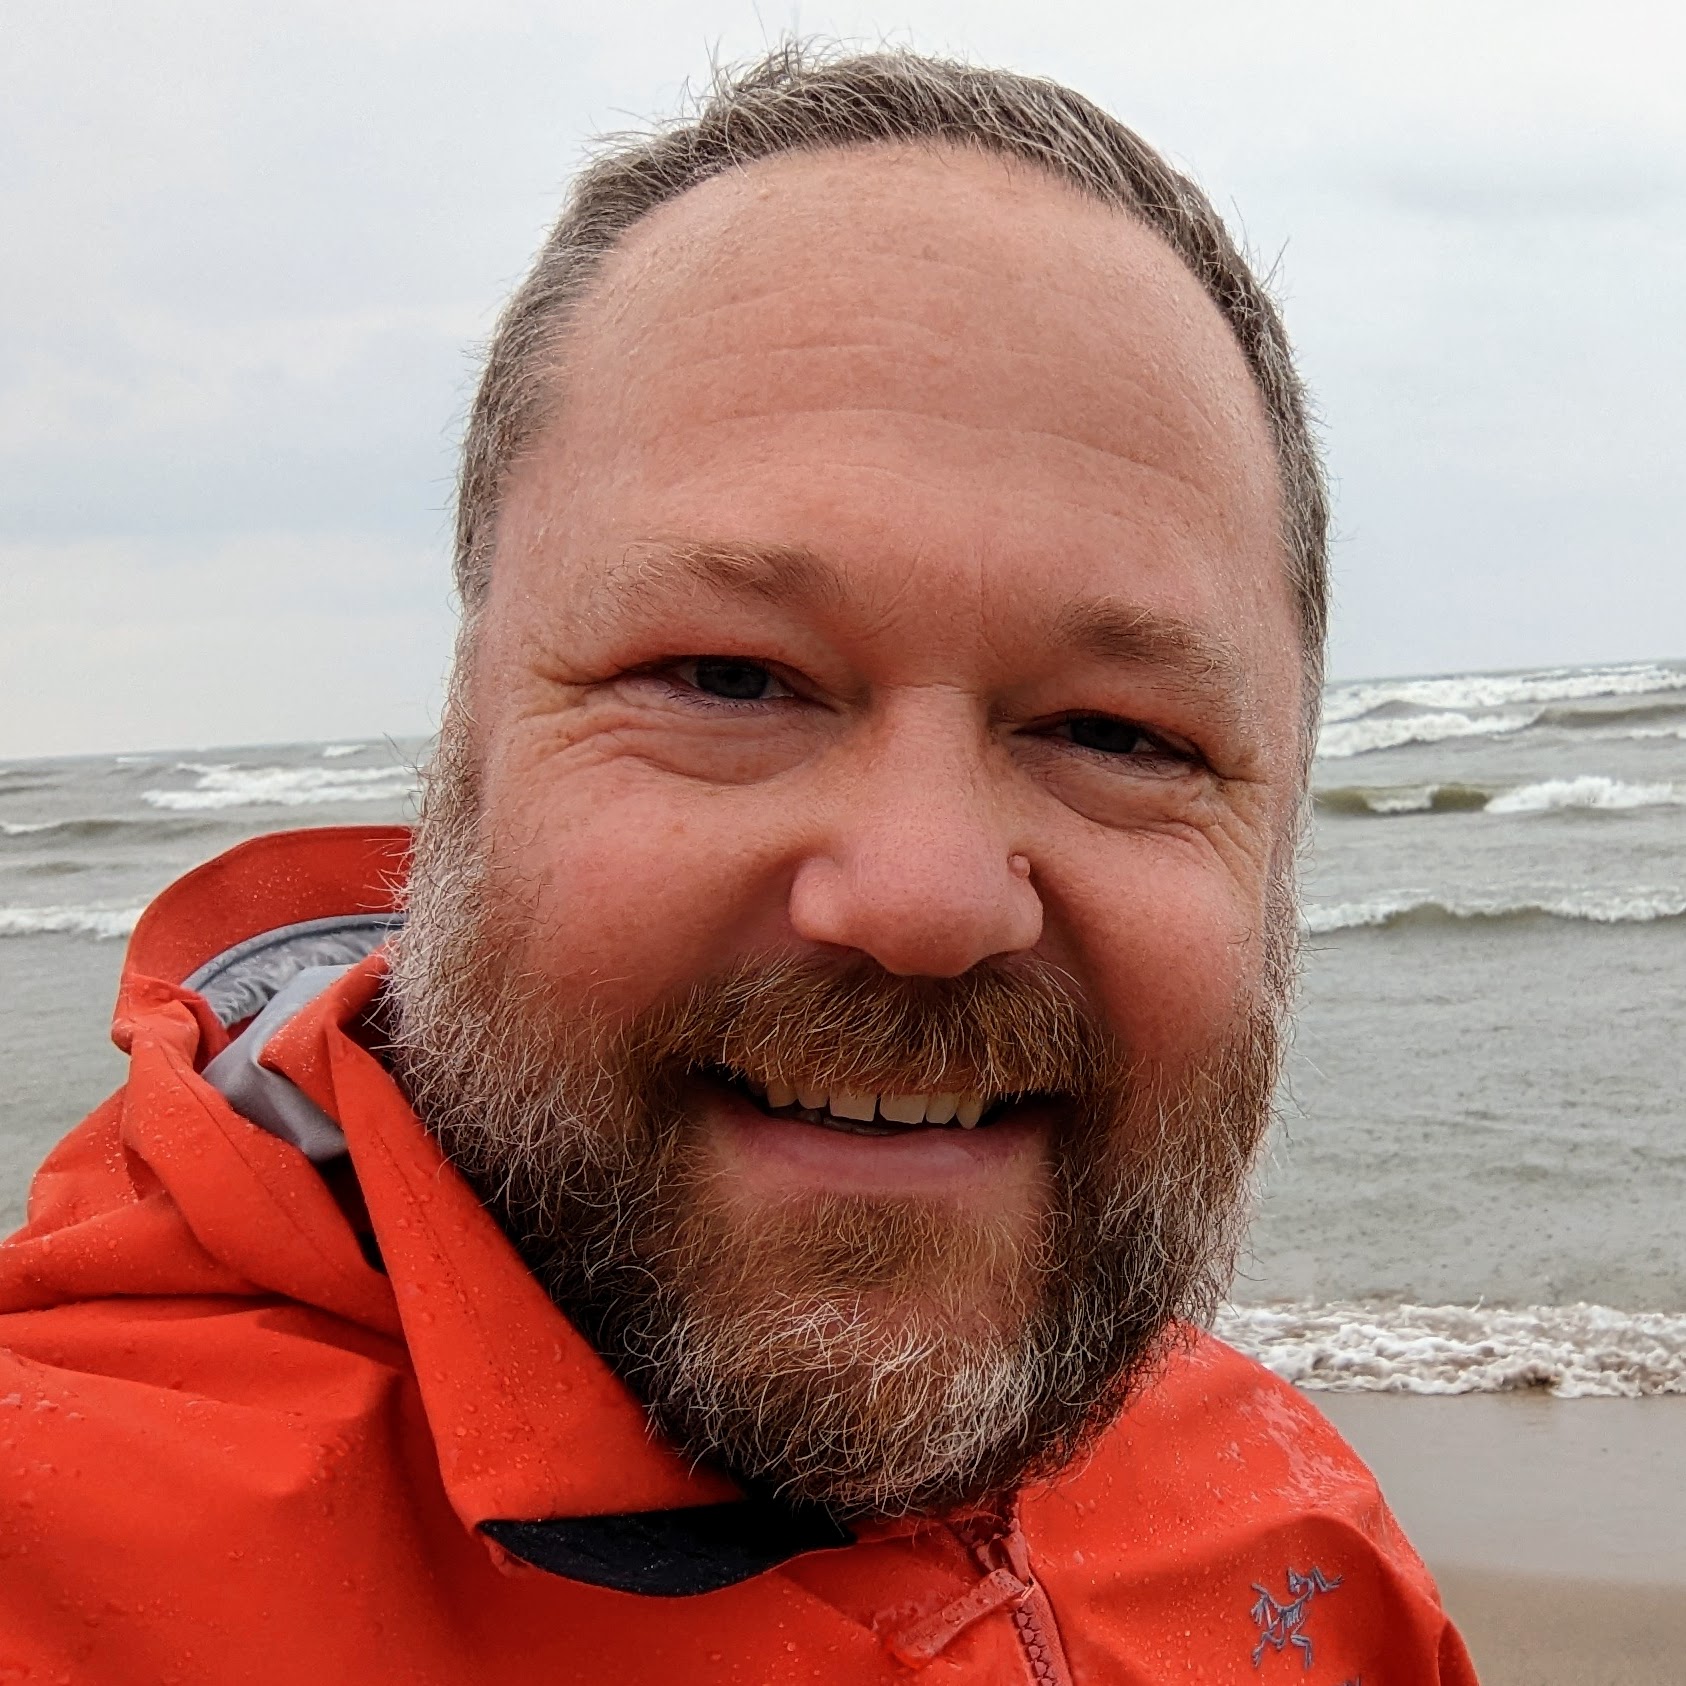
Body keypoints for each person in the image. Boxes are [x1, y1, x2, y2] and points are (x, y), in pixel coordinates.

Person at [0, 45, 1476, 1684]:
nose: (921, 899)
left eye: (1117, 733)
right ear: (462, 750)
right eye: (726, 679)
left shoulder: (1299, 1537)